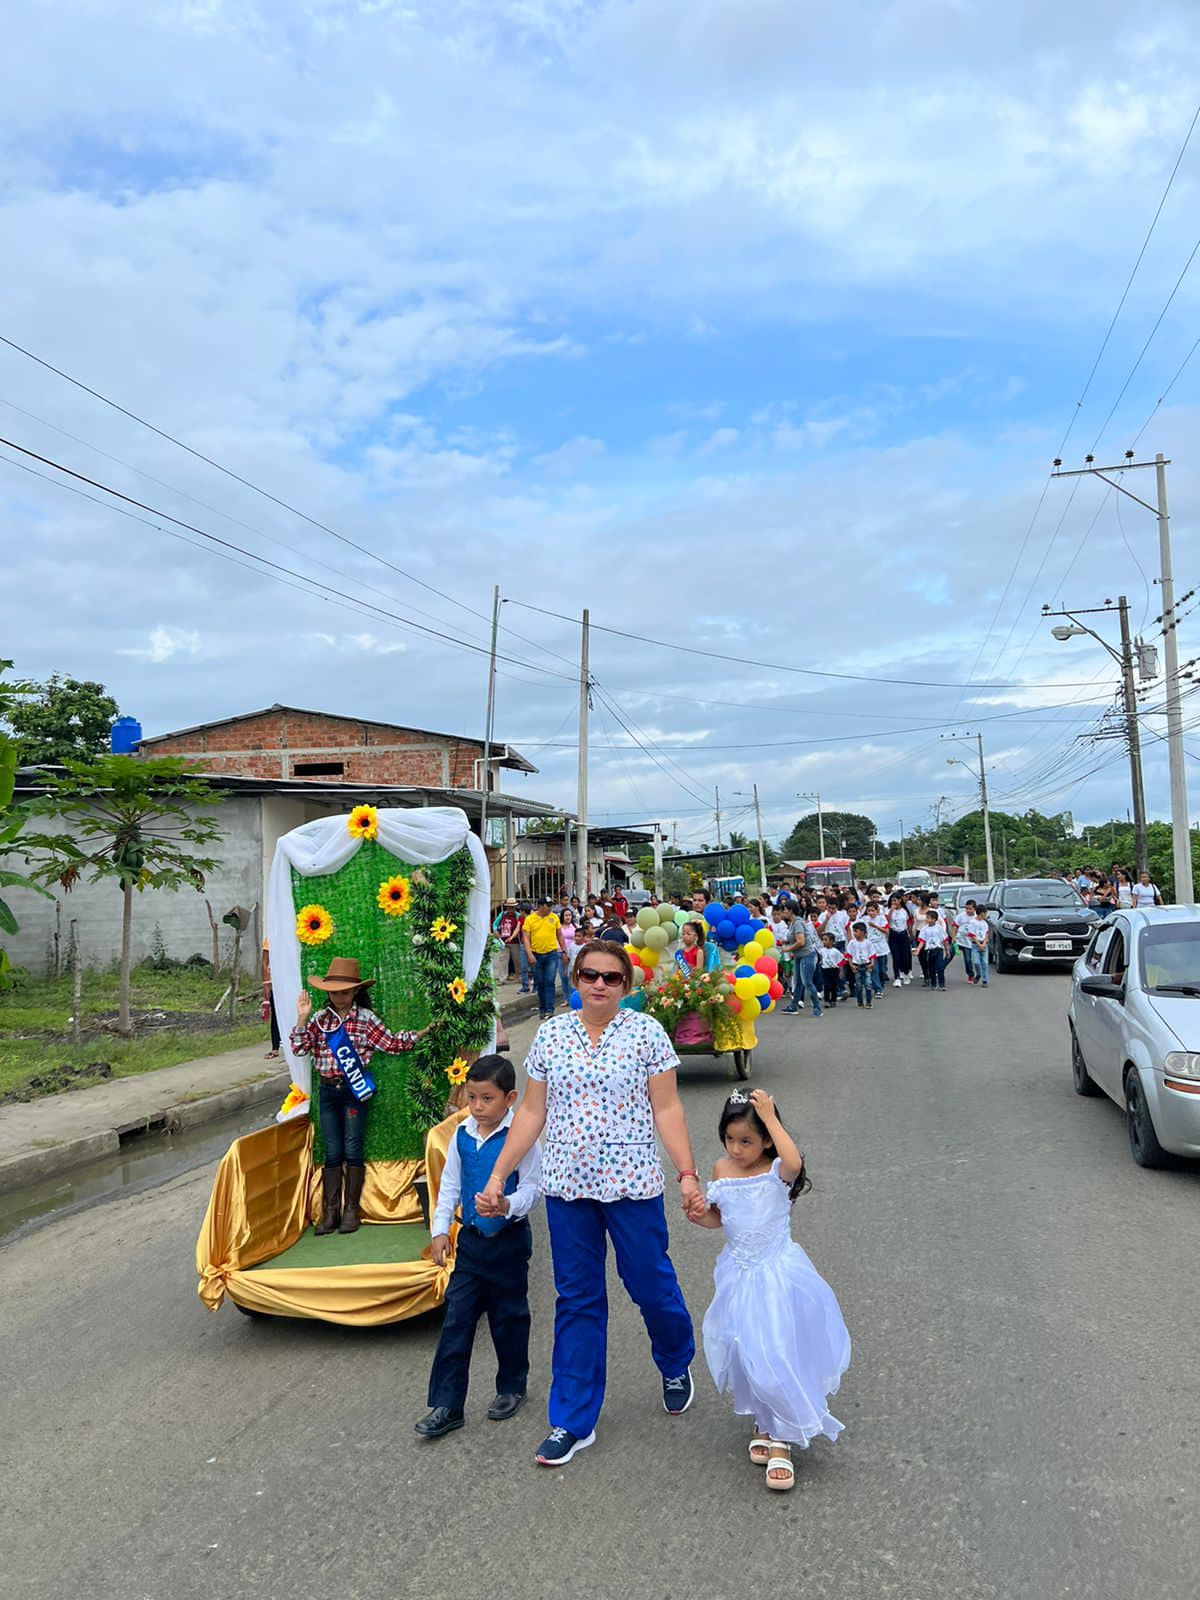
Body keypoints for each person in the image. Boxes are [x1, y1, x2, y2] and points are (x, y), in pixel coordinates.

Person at [476, 941, 705, 1467]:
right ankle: (573, 1419)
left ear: (626, 985)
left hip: (632, 1183)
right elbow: (531, 1113)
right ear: (575, 978)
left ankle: (675, 1359)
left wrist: (687, 1174)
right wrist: (499, 1175)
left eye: (611, 977)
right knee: (577, 1299)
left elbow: (667, 1108)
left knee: (651, 1285)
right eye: (589, 974)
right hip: (568, 1186)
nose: (599, 984)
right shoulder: (552, 1035)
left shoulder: (646, 1033)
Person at [692, 1088, 850, 1492]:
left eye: (746, 1140)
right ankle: (765, 1421)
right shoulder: (722, 1169)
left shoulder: (777, 1169)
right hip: (738, 1276)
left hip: (777, 1275)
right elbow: (720, 1218)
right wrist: (699, 1215)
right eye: (730, 1139)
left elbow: (795, 1162)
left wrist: (770, 1117)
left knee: (776, 1349)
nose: (736, 1148)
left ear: (766, 1139)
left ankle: (782, 1437)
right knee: (746, 1349)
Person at [415, 1055, 544, 1440]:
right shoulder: (462, 1134)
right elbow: (449, 1185)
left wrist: (507, 1205)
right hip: (471, 1243)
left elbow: (534, 1188)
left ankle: (511, 1386)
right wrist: (440, 1230)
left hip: (509, 1242)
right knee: (457, 1319)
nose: (477, 1107)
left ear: (510, 1099)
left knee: (509, 1317)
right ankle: (447, 1404)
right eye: (471, 1098)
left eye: (487, 1099)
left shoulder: (522, 1136)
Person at [290, 957, 432, 1235]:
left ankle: (351, 1210)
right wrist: (302, 1017)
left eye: (345, 992)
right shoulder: (320, 1020)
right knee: (332, 1149)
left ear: (355, 991)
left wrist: (420, 1034)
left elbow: (391, 1043)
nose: (339, 997)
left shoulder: (365, 1019)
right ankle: (330, 1211)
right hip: (328, 1090)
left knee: (352, 1147)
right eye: (334, 992)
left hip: (354, 1090)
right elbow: (300, 1049)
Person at [523, 896, 567, 1021]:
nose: (550, 908)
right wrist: (529, 954)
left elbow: (559, 935)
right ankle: (542, 1009)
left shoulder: (554, 917)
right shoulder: (530, 919)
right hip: (536, 954)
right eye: (548, 905)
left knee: (549, 981)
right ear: (541, 906)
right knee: (540, 982)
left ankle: (549, 1009)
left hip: (551, 954)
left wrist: (564, 950)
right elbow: (526, 938)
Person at [782, 904, 822, 1018]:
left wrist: (788, 948)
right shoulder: (793, 923)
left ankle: (817, 1008)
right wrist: (786, 941)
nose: (784, 912)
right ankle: (794, 1006)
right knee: (798, 982)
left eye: (785, 910)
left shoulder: (798, 923)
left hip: (807, 955)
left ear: (791, 910)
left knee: (807, 982)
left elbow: (801, 941)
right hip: (799, 956)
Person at [493, 898, 528, 991]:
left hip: (514, 941)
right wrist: (496, 931)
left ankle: (518, 976)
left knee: (517, 959)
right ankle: (501, 978)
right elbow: (495, 924)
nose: (510, 909)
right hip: (503, 941)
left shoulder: (517, 916)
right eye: (509, 907)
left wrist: (513, 936)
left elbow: (518, 928)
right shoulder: (502, 915)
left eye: (512, 907)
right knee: (502, 959)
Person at [845, 923, 875, 1010]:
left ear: (863, 932)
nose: (854, 933)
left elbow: (872, 954)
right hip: (857, 965)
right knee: (858, 985)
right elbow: (849, 955)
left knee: (868, 984)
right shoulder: (852, 943)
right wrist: (851, 965)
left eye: (856, 931)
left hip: (866, 965)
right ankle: (860, 1001)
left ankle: (869, 1002)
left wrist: (872, 964)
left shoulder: (868, 943)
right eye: (854, 931)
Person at [917, 912, 948, 991]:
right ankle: (933, 984)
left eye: (929, 918)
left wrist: (947, 950)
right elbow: (922, 941)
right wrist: (918, 950)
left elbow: (945, 939)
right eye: (927, 918)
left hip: (938, 949)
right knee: (931, 968)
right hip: (929, 950)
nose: (927, 919)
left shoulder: (939, 928)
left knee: (940, 967)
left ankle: (942, 984)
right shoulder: (924, 929)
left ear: (934, 919)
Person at [261, 936, 280, 1058]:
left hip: (292, 981)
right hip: (276, 982)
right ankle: (275, 1047)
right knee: (276, 1014)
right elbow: (264, 962)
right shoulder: (271, 937)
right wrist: (267, 983)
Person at [962, 905, 990, 987]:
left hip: (984, 944)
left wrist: (984, 943)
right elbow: (971, 935)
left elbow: (986, 934)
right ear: (982, 913)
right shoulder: (972, 922)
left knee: (985, 962)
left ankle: (985, 980)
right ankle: (978, 974)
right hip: (975, 945)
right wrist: (978, 944)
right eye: (985, 913)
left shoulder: (985, 923)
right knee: (976, 962)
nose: (986, 915)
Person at [818, 932, 844, 1010]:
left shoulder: (835, 951)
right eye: (823, 940)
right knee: (826, 985)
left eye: (826, 940)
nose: (824, 942)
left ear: (832, 941)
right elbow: (819, 958)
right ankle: (826, 1000)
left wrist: (841, 972)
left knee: (833, 986)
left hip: (834, 970)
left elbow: (841, 962)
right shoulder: (821, 950)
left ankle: (833, 1000)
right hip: (825, 970)